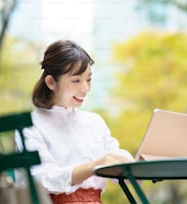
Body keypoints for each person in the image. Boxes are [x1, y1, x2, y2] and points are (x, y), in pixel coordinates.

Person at [16, 40, 134, 204]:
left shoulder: (95, 122)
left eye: (89, 80)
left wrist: (136, 164)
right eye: (76, 81)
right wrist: (96, 165)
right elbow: (44, 178)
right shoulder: (31, 125)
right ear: (51, 82)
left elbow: (118, 167)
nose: (85, 89)